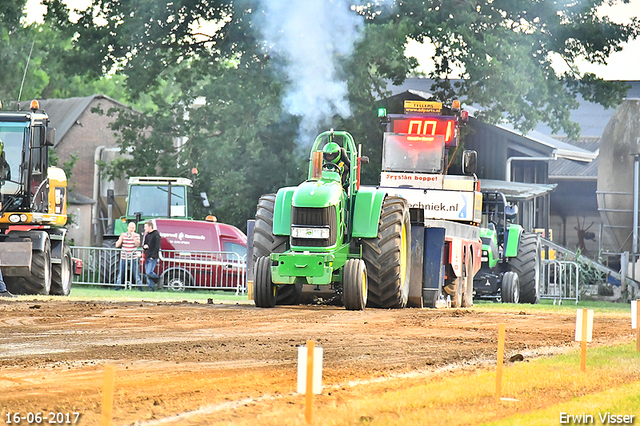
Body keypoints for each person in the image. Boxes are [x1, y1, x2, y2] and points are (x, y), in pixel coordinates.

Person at [115, 222, 142, 289]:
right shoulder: (123, 235)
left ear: (135, 229)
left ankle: (140, 287)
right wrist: (121, 238)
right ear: (128, 228)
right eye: (130, 227)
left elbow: (138, 244)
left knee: (136, 274)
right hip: (124, 257)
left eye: (133, 228)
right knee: (121, 273)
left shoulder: (137, 235)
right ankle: (118, 286)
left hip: (133, 257)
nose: (131, 229)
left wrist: (134, 238)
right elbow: (117, 245)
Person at [142, 220, 162, 291]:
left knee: (149, 272)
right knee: (147, 274)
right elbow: (144, 244)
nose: (145, 228)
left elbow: (157, 246)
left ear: (150, 227)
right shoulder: (147, 235)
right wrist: (144, 246)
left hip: (152, 257)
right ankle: (151, 287)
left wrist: (153, 256)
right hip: (147, 255)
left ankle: (158, 279)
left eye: (146, 227)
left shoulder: (156, 234)